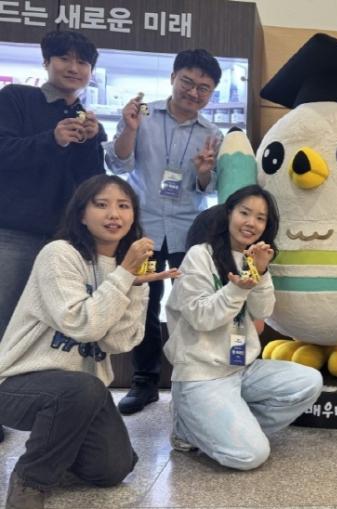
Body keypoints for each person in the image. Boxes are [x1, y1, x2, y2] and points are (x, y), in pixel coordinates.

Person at [0, 175, 178, 509]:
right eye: (101, 204)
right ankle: (30, 480)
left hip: (82, 393)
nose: (114, 214)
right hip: (17, 384)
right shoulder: (59, 254)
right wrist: (125, 276)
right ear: (81, 214)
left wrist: (137, 286)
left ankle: (59, 447)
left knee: (113, 469)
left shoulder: (125, 268)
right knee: (81, 388)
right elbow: (82, 324)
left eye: (123, 206)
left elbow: (118, 342)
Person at [163, 185, 322, 470]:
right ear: (229, 214)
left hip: (241, 368)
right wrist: (237, 289)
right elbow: (201, 317)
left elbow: (263, 311)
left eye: (260, 218)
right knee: (250, 455)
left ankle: (222, 425)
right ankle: (188, 427)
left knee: (309, 381)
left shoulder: (253, 258)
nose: (251, 223)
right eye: (244, 213)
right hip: (201, 374)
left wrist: (261, 272)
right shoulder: (200, 255)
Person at [104, 49, 225, 415]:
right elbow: (118, 163)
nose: (193, 92)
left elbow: (210, 188)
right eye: (187, 82)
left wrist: (203, 171)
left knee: (194, 304)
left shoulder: (212, 133)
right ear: (173, 78)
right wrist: (129, 129)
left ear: (211, 93)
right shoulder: (142, 116)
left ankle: (196, 379)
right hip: (144, 229)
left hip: (189, 230)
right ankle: (145, 382)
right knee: (144, 303)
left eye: (203, 88)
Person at [0, 30, 105, 341]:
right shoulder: (16, 97)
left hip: (65, 239)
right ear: (46, 62)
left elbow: (91, 183)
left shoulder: (85, 118)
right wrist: (52, 139)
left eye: (83, 62)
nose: (74, 68)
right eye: (64, 58)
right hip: (14, 234)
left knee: (52, 326)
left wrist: (90, 142)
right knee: (4, 316)